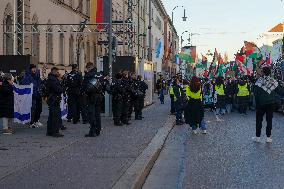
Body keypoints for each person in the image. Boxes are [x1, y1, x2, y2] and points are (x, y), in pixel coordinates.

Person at [253, 66, 284, 143]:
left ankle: (258, 137)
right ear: (270, 72)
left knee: (259, 120)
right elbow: (281, 92)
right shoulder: (273, 81)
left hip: (261, 104)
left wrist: (257, 103)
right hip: (271, 104)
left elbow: (255, 93)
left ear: (263, 72)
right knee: (269, 120)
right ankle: (268, 137)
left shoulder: (259, 81)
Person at [82, 62, 104, 137]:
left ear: (89, 67)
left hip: (91, 96)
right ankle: (98, 130)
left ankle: (92, 131)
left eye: (87, 68)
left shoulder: (88, 75)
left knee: (91, 114)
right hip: (99, 96)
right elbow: (103, 84)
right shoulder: (100, 74)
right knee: (97, 113)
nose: (87, 69)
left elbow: (84, 86)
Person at [46, 67, 64, 137]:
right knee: (55, 116)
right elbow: (59, 89)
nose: (58, 73)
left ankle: (49, 131)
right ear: (54, 71)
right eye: (57, 72)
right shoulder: (53, 79)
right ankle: (55, 132)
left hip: (52, 99)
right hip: (54, 99)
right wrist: (62, 87)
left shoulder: (50, 78)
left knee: (51, 116)